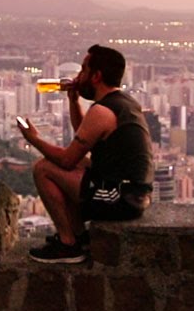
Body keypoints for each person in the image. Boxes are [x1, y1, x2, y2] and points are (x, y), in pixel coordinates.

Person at [18, 45, 153, 264]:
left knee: (43, 168)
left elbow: (66, 159)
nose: (79, 76)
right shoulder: (123, 103)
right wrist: (73, 102)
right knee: (78, 164)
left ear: (96, 76)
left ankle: (68, 244)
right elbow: (85, 137)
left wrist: (33, 139)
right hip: (132, 193)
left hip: (122, 197)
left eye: (83, 70)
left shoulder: (102, 111)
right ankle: (80, 237)